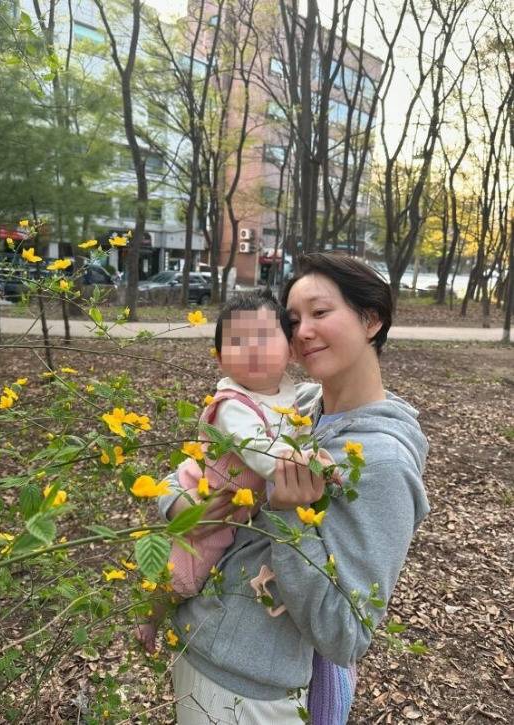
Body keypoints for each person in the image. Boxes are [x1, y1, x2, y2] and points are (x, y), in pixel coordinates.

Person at [157, 253, 430, 724]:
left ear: (371, 320)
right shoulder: (294, 405)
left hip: (249, 690)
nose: (302, 331)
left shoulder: (383, 463)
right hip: (199, 643)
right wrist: (183, 506)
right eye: (293, 320)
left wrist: (288, 517)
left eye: (320, 312)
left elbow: (345, 634)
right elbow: (195, 465)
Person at [135, 289, 334, 654]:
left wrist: (313, 455)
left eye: (264, 338)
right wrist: (310, 465)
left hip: (239, 502)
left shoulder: (289, 397)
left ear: (290, 350)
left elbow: (297, 436)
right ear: (220, 359)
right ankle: (150, 617)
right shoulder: (232, 405)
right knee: (184, 573)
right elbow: (259, 452)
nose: (253, 349)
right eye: (238, 342)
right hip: (211, 497)